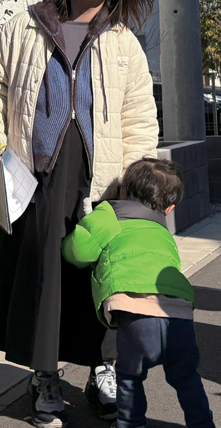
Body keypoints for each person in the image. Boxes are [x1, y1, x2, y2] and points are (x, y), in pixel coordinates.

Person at [0, 0, 158, 427]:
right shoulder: (26, 25)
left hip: (106, 181)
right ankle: (45, 376)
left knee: (102, 276)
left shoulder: (122, 40)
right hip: (38, 176)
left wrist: (138, 182)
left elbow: (140, 116)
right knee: (45, 277)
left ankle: (103, 369)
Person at [61, 158, 215, 428]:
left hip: (135, 312)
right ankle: (202, 424)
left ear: (123, 190)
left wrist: (69, 242)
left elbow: (79, 251)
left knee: (130, 377)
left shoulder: (110, 213)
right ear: (169, 208)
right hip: (178, 312)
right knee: (187, 378)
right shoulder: (161, 230)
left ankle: (130, 424)